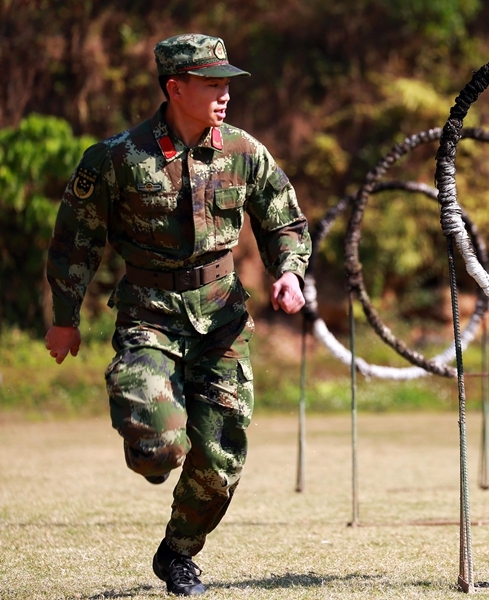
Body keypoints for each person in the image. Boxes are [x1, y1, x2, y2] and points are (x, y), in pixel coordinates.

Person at [44, 34, 311, 596]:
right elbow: (75, 241)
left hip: (222, 318)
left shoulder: (244, 151)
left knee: (222, 454)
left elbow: (283, 220)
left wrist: (289, 272)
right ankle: (152, 443)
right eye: (212, 85)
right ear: (175, 88)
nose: (224, 96)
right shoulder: (117, 158)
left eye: (226, 85)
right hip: (149, 315)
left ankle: (179, 553)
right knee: (159, 450)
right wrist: (65, 317)